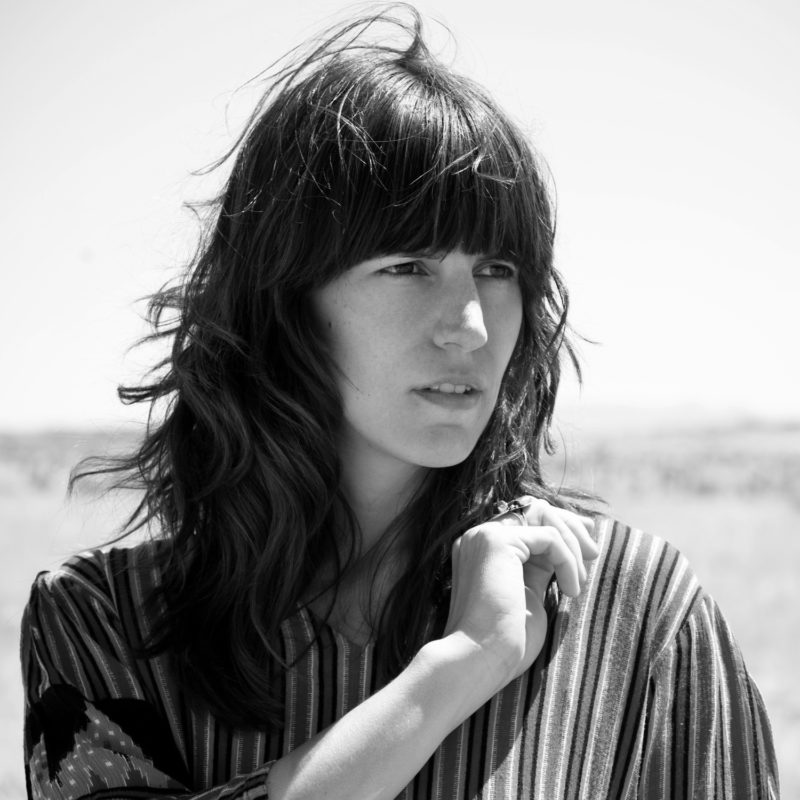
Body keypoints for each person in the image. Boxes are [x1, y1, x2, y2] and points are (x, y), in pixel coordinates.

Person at [20, 5, 778, 799]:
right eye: (409, 266)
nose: (471, 327)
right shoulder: (103, 623)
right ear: (286, 301)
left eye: (497, 269)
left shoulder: (637, 613)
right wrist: (456, 670)